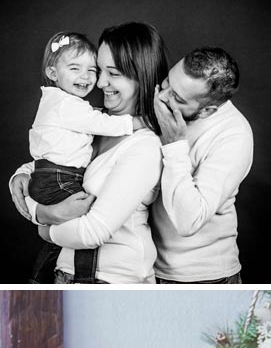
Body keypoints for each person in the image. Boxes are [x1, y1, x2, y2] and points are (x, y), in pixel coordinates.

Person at [10, 22, 168, 284]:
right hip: (67, 272)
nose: (100, 82)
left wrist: (45, 224)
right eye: (100, 70)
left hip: (113, 280)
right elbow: (54, 156)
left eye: (112, 73)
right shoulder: (94, 122)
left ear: (141, 76)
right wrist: (21, 175)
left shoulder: (144, 145)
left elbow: (92, 232)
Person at [150, 47, 254, 284]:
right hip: (147, 270)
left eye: (177, 98)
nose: (163, 97)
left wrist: (174, 145)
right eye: (167, 83)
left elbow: (189, 221)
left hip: (203, 277)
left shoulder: (234, 136)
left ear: (208, 110)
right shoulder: (165, 102)